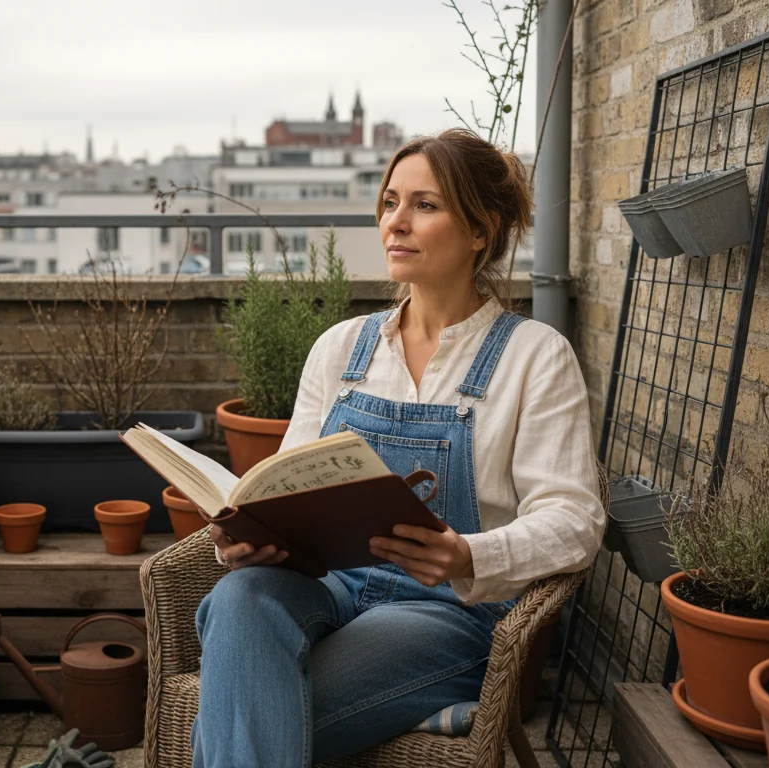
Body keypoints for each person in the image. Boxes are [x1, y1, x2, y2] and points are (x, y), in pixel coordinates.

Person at [189, 129, 606, 767]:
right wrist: (254, 538)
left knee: (246, 705)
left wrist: (468, 553)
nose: (396, 223)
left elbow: (575, 521)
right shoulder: (340, 348)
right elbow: (284, 484)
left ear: (480, 231)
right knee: (240, 599)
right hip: (327, 587)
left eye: (425, 206)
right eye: (389, 203)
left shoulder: (534, 356)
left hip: (443, 612)